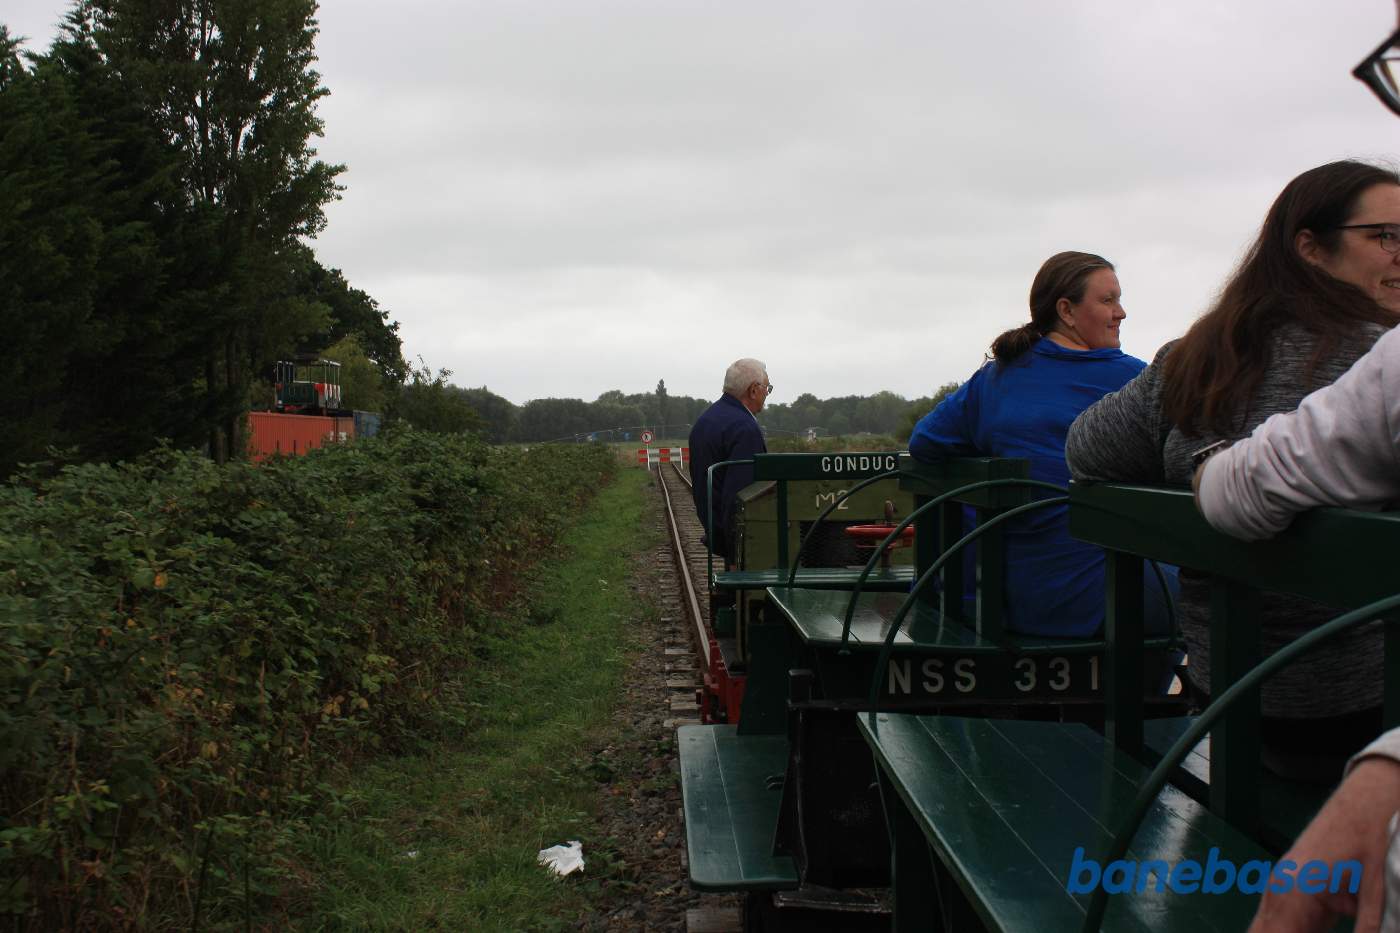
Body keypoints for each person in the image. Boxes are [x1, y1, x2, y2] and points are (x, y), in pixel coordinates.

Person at [1066, 159, 1400, 782]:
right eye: (1386, 235)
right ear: (1309, 248)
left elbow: (1086, 451)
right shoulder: (1382, 359)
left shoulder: (1194, 358)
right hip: (1372, 713)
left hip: (1226, 696)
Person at [909, 251, 1177, 638]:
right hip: (1106, 592)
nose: (1121, 313)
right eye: (1108, 301)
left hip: (1016, 596)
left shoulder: (996, 377)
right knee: (1227, 596)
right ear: (1066, 311)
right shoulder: (1132, 379)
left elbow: (924, 442)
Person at [688, 358, 771, 563]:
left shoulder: (705, 420)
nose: (766, 394)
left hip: (714, 525)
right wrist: (737, 551)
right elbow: (742, 495)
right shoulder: (744, 428)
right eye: (767, 388)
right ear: (753, 390)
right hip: (736, 541)